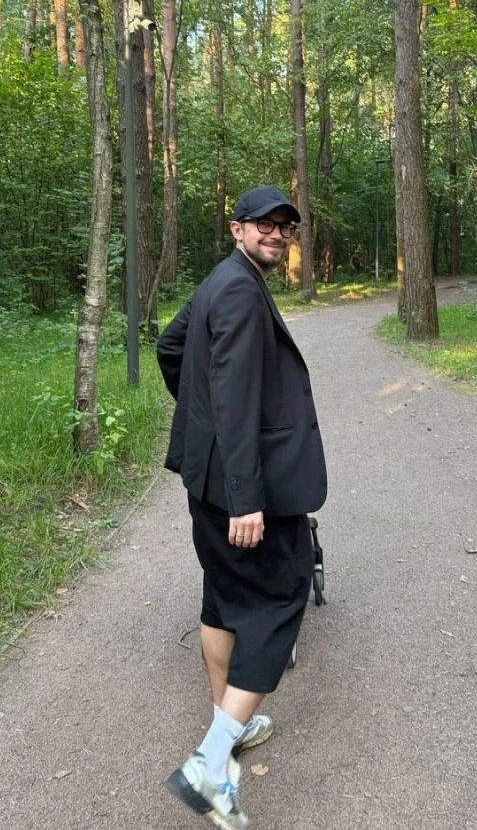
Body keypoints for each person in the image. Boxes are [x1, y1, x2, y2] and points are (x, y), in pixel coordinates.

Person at [157, 185, 328, 830]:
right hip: (246, 492)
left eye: (286, 226)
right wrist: (246, 497)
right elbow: (232, 396)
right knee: (280, 600)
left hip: (209, 480)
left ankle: (228, 721)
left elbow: (171, 348)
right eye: (264, 223)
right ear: (238, 228)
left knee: (223, 598)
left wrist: (199, 425)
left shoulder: (219, 281)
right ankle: (210, 763)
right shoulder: (238, 291)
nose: (276, 233)